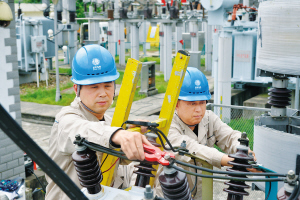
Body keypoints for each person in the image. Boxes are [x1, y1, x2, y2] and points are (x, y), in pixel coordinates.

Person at [45, 44, 152, 200]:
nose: (103, 93)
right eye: (94, 87)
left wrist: (132, 134)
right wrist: (118, 134)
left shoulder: (109, 122)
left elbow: (120, 158)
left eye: (108, 86)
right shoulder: (66, 119)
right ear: (76, 89)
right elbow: (82, 131)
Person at [154, 67, 256, 199]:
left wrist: (243, 150)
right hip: (171, 196)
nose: (198, 109)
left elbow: (229, 136)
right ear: (176, 104)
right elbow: (192, 148)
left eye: (202, 102)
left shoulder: (209, 119)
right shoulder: (166, 127)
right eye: (192, 103)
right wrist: (227, 160)